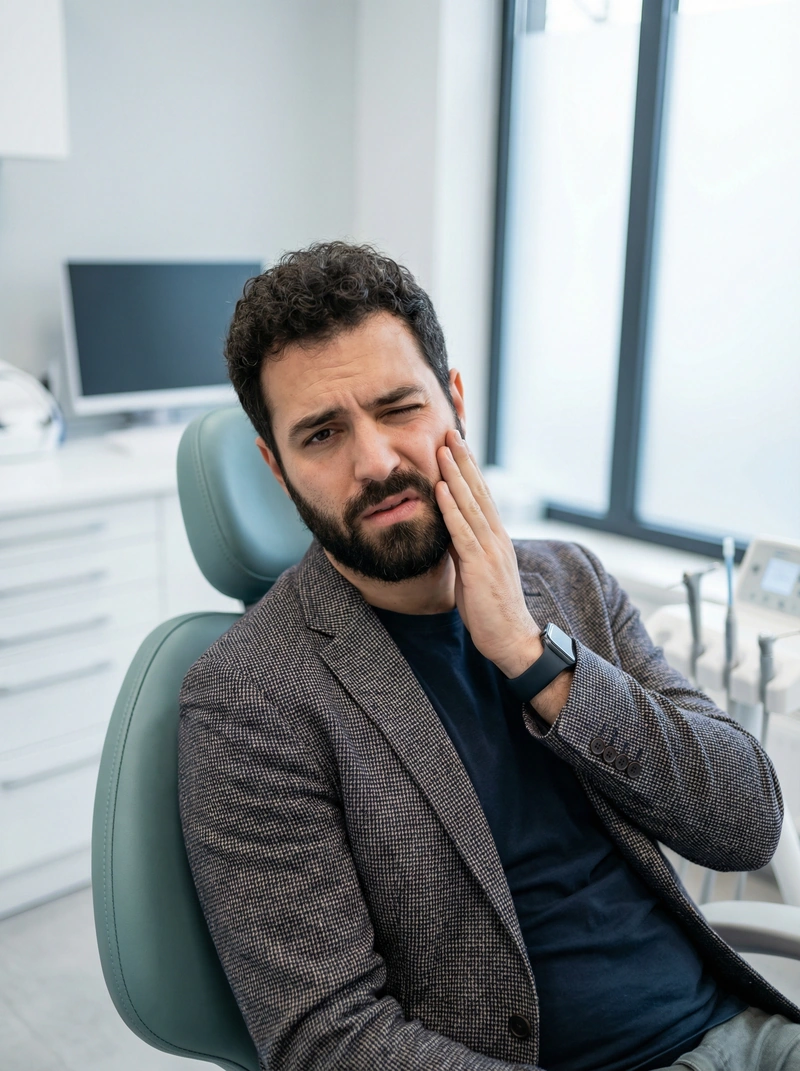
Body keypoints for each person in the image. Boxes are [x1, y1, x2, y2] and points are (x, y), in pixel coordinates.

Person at [178, 241, 800, 1071]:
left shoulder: (570, 580)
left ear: (456, 403)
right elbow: (328, 1037)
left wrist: (533, 657)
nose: (376, 461)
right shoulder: (247, 696)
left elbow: (747, 822)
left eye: (399, 408)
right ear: (276, 467)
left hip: (744, 1033)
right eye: (322, 433)